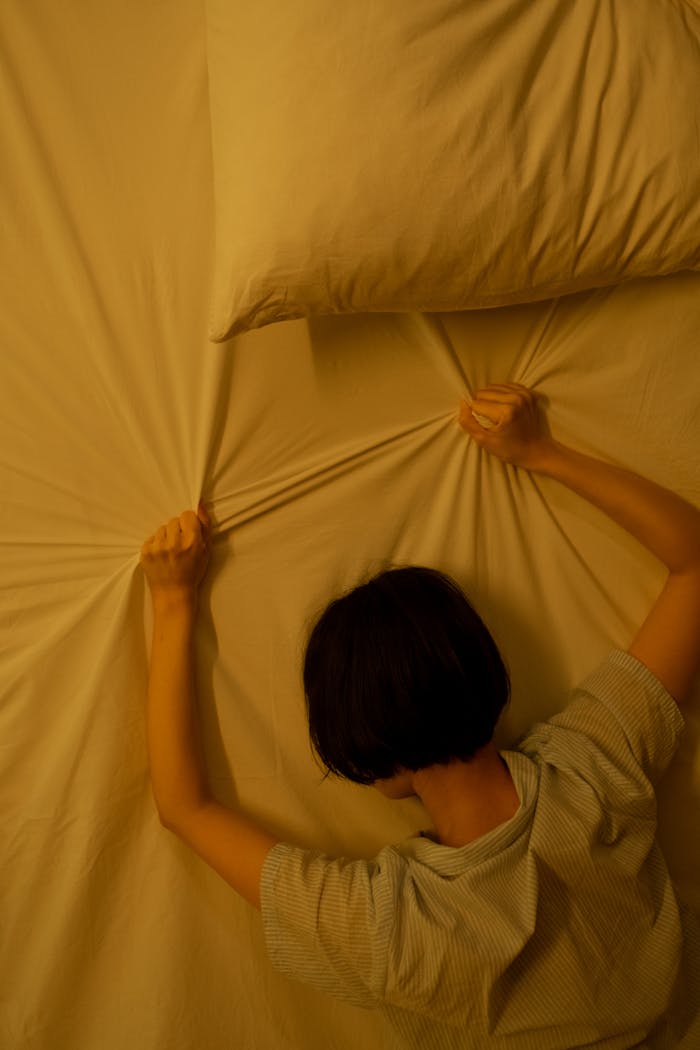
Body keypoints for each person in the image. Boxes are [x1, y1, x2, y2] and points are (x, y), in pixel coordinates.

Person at [140, 383, 700, 1049]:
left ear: (360, 738)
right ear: (481, 668)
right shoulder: (593, 765)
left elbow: (182, 806)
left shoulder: (385, 923)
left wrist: (172, 603)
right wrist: (540, 453)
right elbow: (693, 564)